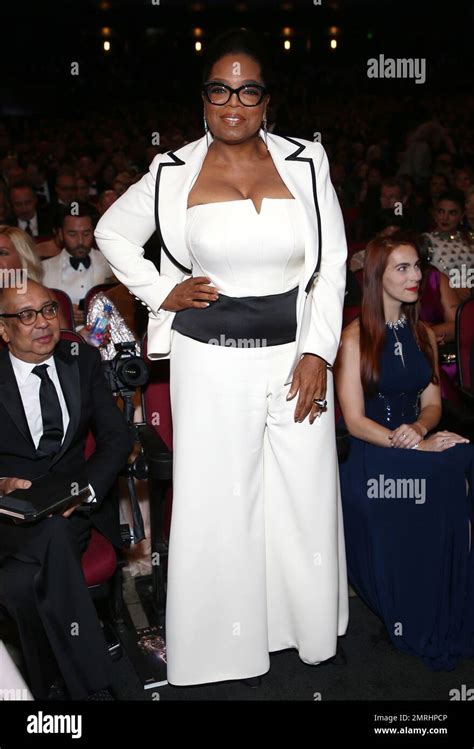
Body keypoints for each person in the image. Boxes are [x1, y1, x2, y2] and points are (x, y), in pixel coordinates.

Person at [95, 28, 349, 686]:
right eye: (219, 89)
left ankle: (303, 629)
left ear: (267, 101)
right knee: (221, 497)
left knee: (304, 489)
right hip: (210, 361)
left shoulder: (308, 159)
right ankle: (222, 649)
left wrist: (319, 349)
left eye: (247, 90)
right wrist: (159, 291)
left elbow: (332, 263)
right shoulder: (172, 169)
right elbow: (111, 231)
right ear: (204, 98)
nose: (232, 101)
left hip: (296, 356)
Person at [335, 232, 473, 671]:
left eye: (417, 266)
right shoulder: (353, 338)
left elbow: (433, 404)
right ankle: (414, 608)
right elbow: (354, 420)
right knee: (436, 473)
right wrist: (409, 443)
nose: (416, 276)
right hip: (370, 451)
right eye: (403, 268)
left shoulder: (423, 335)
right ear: (377, 277)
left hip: (411, 439)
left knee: (462, 456)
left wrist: (419, 428)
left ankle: (449, 600)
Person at [0, 280, 132, 699]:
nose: (41, 323)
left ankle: (48, 690)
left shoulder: (82, 360)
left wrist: (84, 491)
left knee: (20, 583)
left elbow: (117, 438)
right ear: (3, 330)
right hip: (7, 517)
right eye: (25, 315)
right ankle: (95, 685)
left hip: (71, 511)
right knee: (47, 542)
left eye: (48, 311)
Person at [42, 204, 115, 326]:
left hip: (103, 338)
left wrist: (93, 315)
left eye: (86, 233)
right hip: (62, 340)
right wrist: (64, 315)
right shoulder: (43, 270)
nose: (80, 241)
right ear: (60, 234)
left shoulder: (111, 265)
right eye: (72, 234)